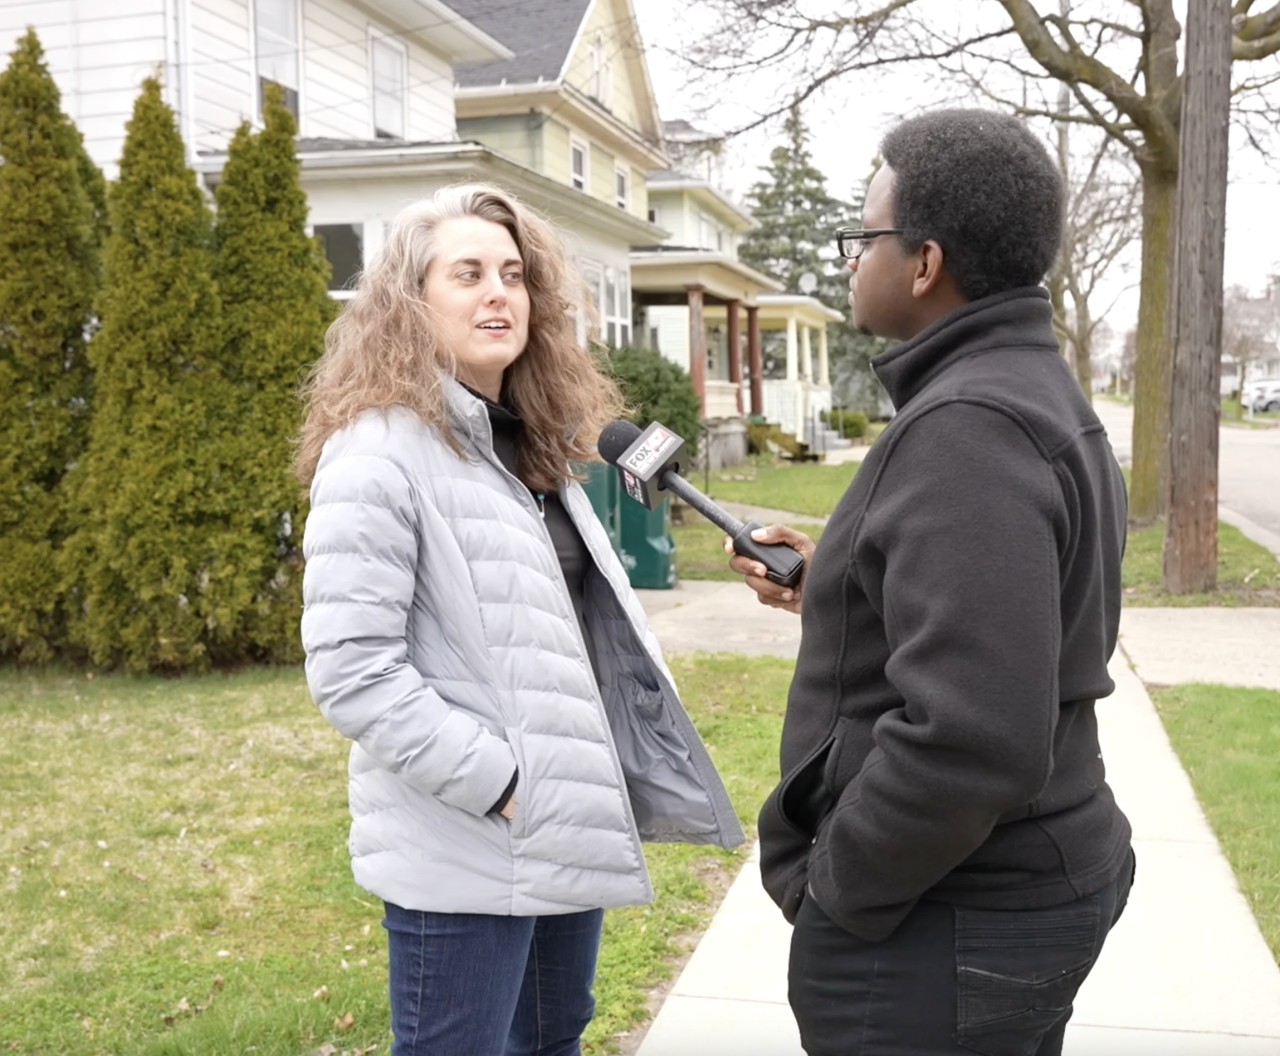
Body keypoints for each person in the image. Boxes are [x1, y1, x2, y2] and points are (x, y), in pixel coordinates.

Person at [296, 183, 744, 1056]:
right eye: (467, 274)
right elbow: (353, 671)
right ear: (409, 303)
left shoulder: (534, 443)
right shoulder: (379, 452)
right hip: (469, 837)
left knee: (553, 1041)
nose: (498, 292)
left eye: (513, 273)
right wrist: (503, 783)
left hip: (559, 822)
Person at [727, 110, 1134, 1055]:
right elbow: (1025, 613)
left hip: (947, 914)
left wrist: (839, 891)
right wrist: (847, 585)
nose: (849, 261)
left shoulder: (970, 427)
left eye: (862, 238)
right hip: (1008, 888)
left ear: (924, 263)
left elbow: (974, 736)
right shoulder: (1027, 392)